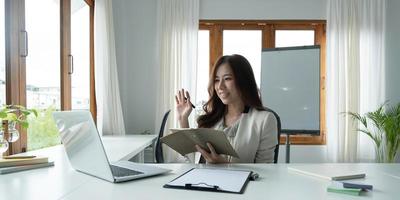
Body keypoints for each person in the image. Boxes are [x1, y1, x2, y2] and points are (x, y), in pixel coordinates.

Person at [175, 54, 278, 164]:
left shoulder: (265, 120)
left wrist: (225, 166)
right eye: (216, 80)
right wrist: (183, 119)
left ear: (244, 80)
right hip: (203, 180)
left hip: (241, 182)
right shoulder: (210, 117)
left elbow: (266, 172)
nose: (220, 86)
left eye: (227, 79)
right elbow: (192, 161)